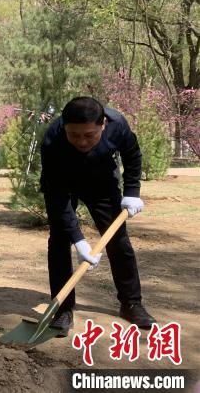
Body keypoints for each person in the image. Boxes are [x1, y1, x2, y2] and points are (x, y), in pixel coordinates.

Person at [40, 96, 156, 337]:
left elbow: (132, 155)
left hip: (101, 183)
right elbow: (58, 196)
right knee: (60, 241)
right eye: (74, 135)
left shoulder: (118, 125)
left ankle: (131, 303)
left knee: (118, 240)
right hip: (62, 184)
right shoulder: (52, 140)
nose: (81, 141)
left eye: (89, 135)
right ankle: (62, 309)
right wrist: (78, 239)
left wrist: (132, 192)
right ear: (64, 127)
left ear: (103, 125)